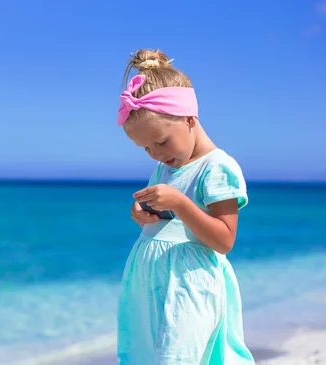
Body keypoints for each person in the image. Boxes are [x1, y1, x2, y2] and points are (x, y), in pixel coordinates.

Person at [115, 49, 256, 364]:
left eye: (162, 142)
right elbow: (166, 222)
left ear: (190, 119)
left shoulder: (216, 167)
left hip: (188, 284)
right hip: (151, 286)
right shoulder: (166, 167)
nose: (155, 153)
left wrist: (178, 202)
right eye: (145, 148)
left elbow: (224, 240)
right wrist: (142, 216)